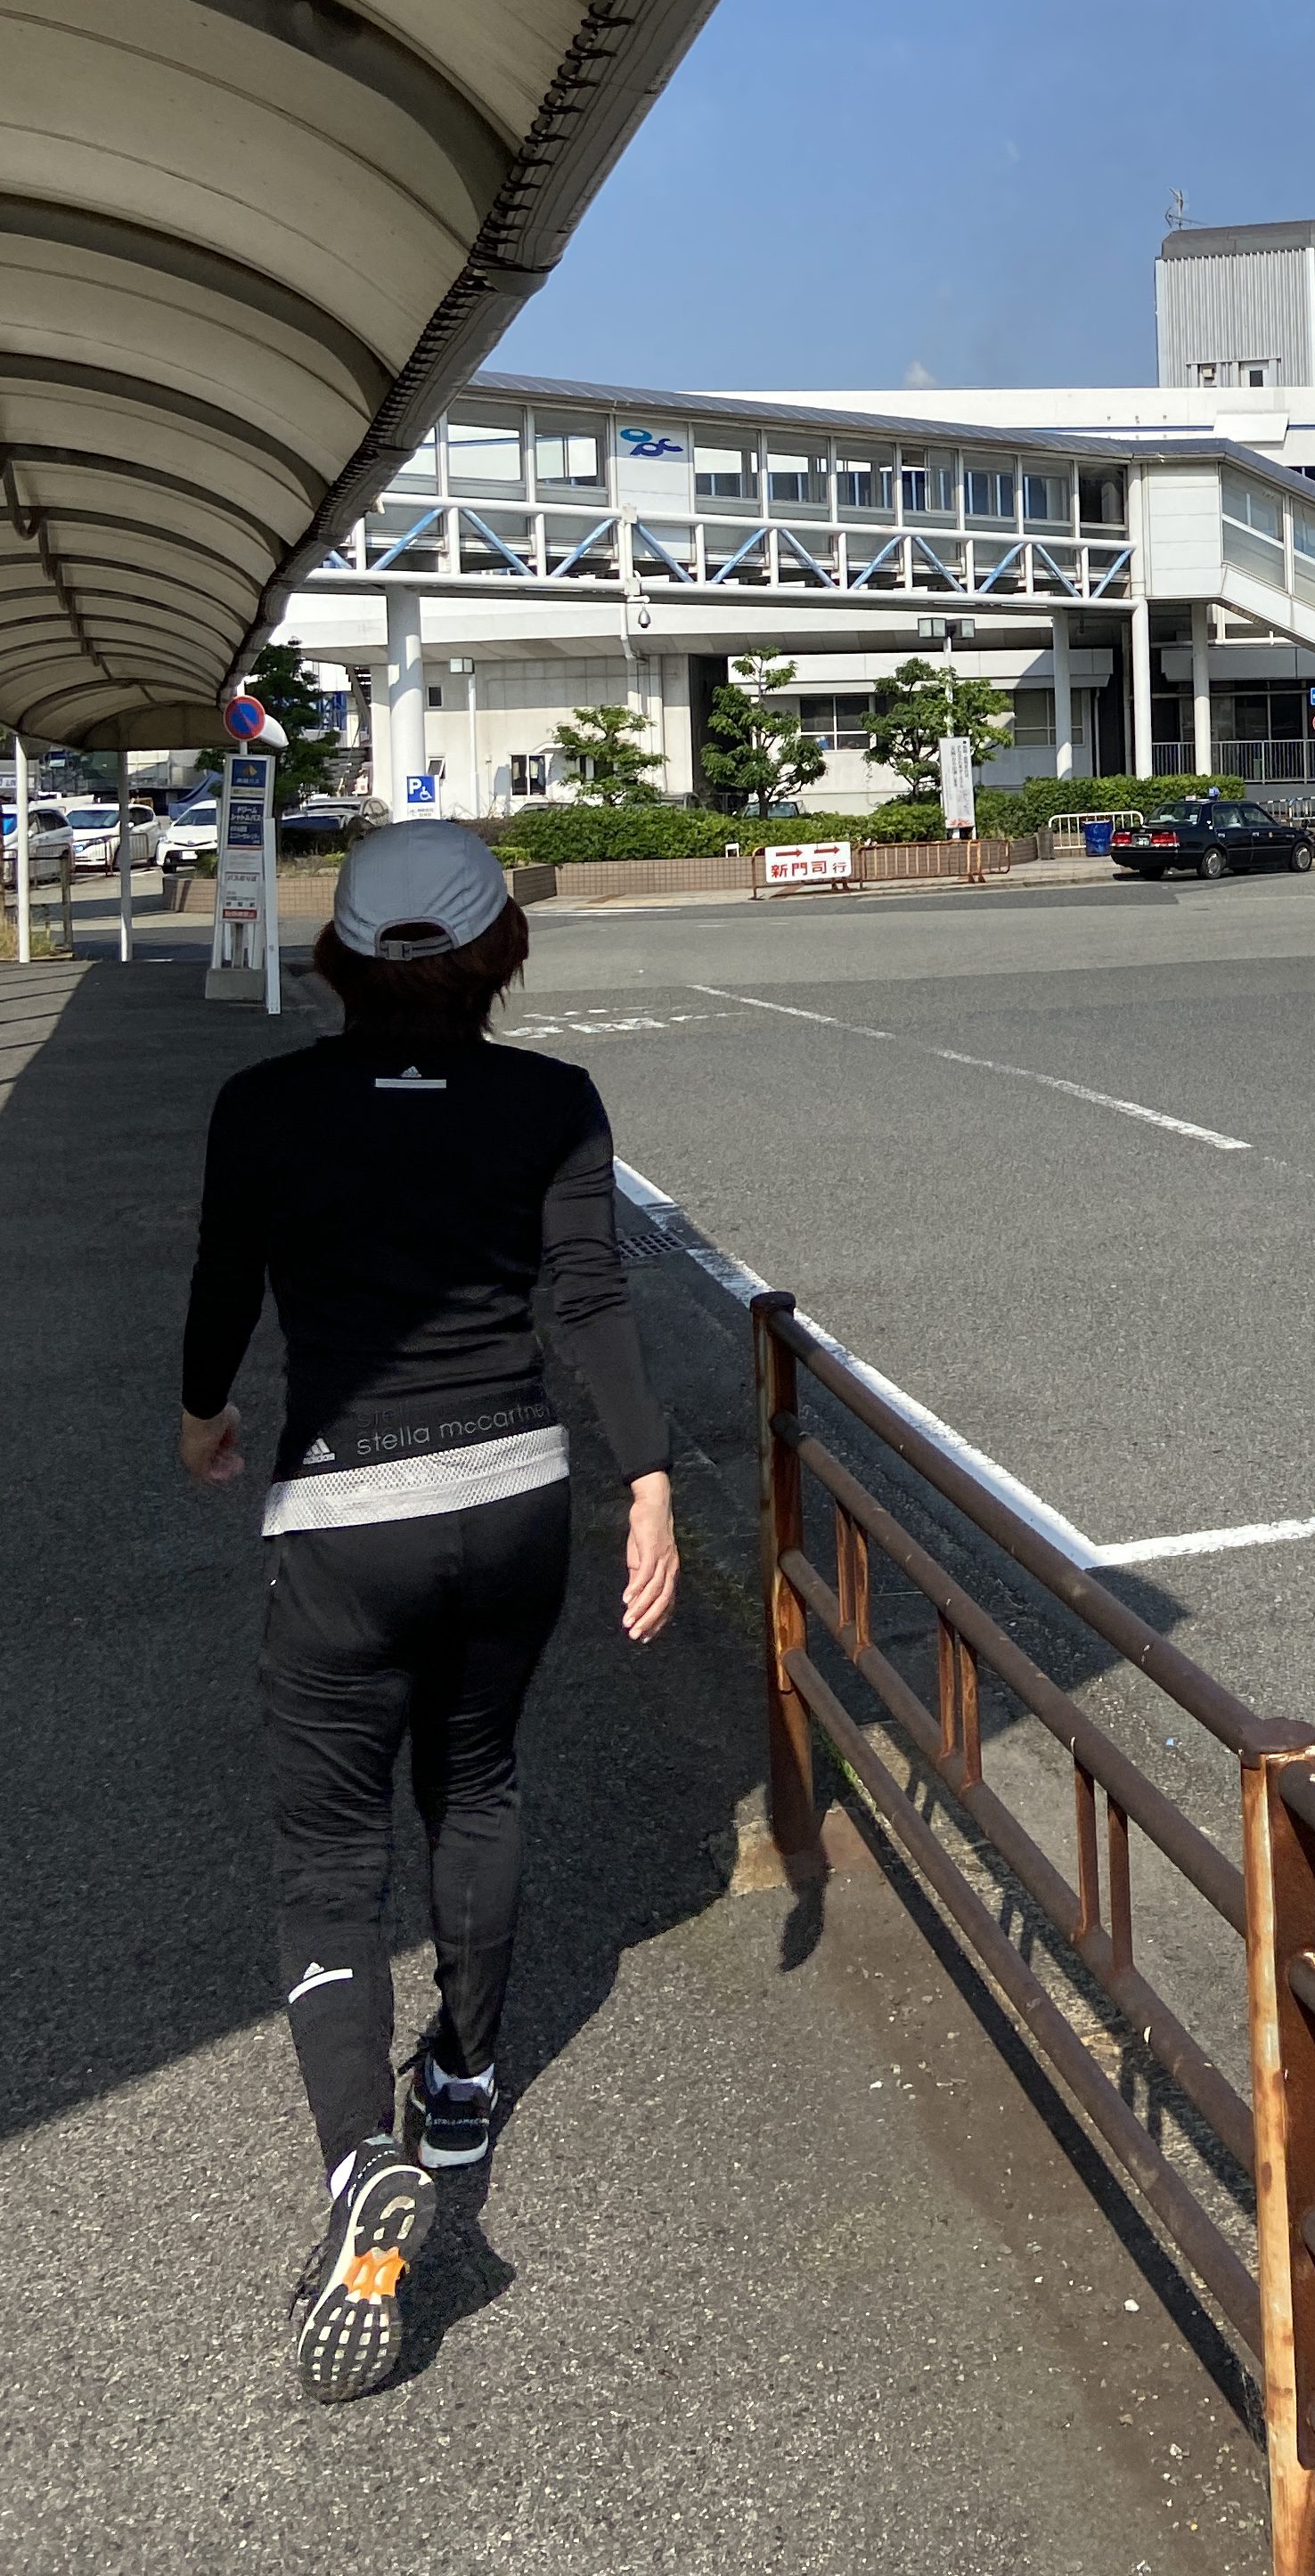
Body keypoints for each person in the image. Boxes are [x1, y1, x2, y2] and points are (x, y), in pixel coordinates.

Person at [177, 819, 678, 2401]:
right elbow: (589, 1296)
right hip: (514, 1498)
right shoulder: (551, 1100)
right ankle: (459, 2082)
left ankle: (358, 2167)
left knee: (332, 1857)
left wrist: (203, 1415)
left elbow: (226, 1280)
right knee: (478, 1782)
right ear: (497, 952)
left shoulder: (265, 1106)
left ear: (339, 954)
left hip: (343, 1517)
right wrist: (649, 1478)